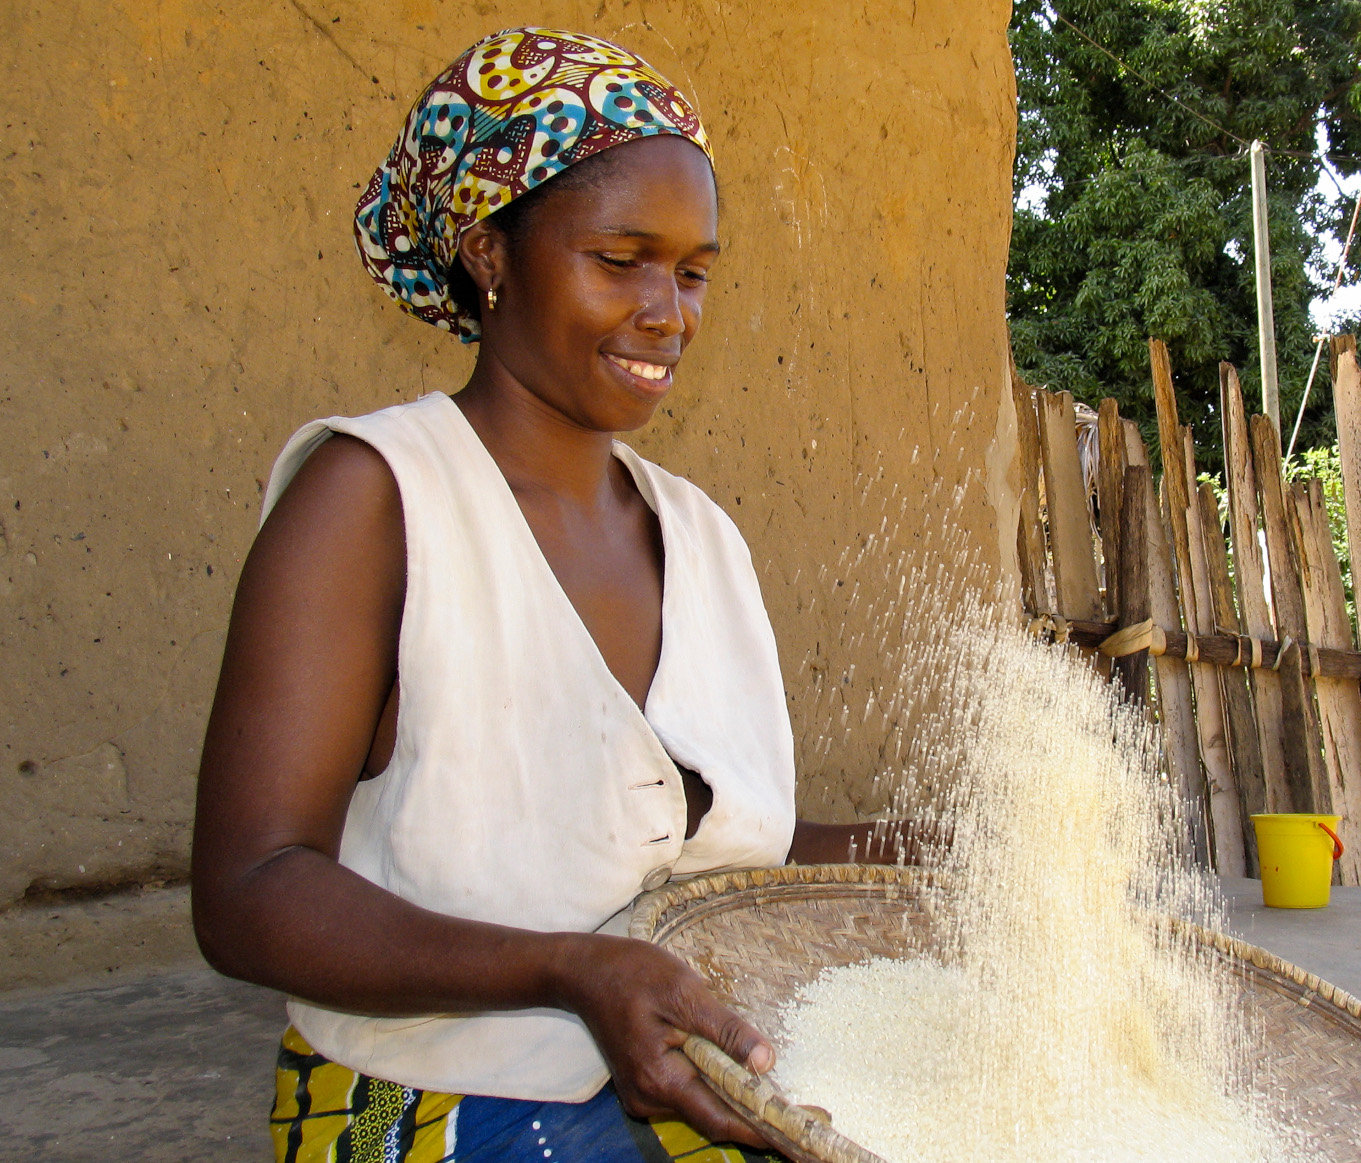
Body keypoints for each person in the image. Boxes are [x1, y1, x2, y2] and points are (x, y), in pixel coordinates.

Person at [190, 28, 905, 1162]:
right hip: (438, 1112)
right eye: (621, 258)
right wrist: (568, 973)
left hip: (696, 1097)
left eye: (694, 269)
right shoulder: (375, 499)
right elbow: (250, 888)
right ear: (491, 252)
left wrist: (917, 851)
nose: (669, 311)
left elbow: (699, 854)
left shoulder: (704, 539)